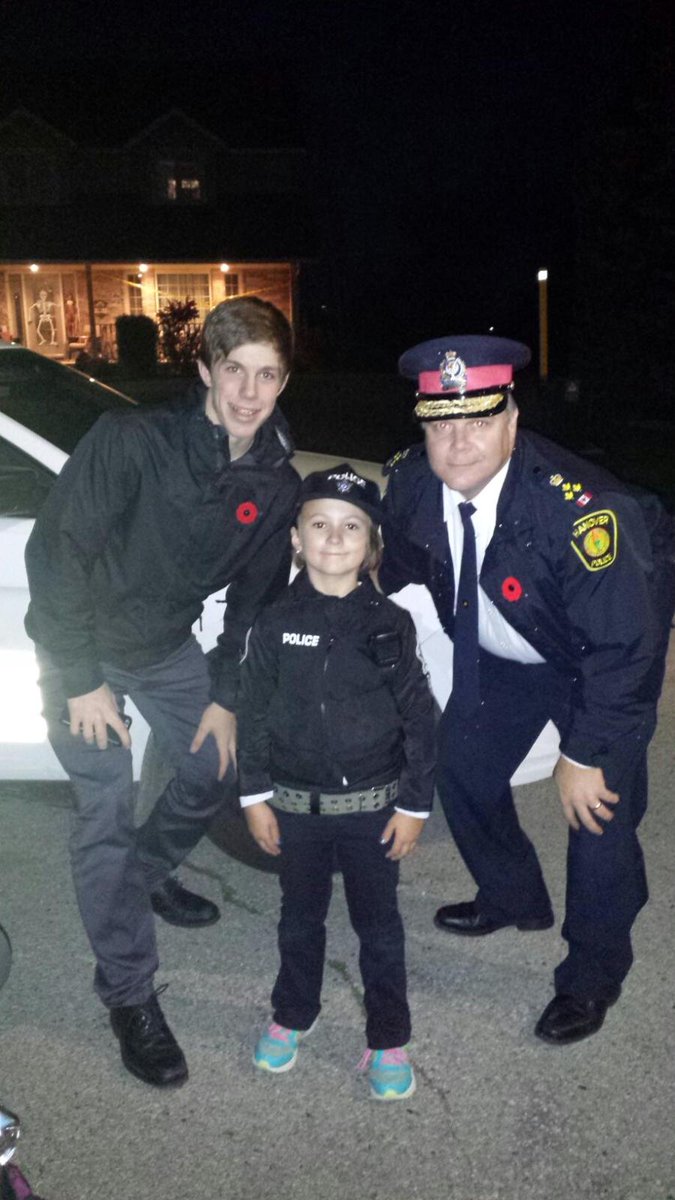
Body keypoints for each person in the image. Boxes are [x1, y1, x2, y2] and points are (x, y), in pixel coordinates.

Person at [24, 296, 302, 1087]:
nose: (249, 393)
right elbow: (56, 557)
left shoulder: (274, 482)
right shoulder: (131, 439)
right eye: (235, 370)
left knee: (217, 764)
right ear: (205, 369)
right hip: (81, 648)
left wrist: (225, 695)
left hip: (164, 647)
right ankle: (128, 992)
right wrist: (81, 680)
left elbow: (253, 605)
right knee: (104, 810)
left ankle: (144, 874)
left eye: (267, 375)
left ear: (284, 381)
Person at [379, 335, 675, 1046]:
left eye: (478, 421)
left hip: (593, 666)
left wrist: (586, 753)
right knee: (460, 766)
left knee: (596, 818)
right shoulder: (414, 482)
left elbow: (626, 649)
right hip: (505, 658)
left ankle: (592, 973)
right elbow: (396, 562)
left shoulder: (583, 513)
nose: (458, 443)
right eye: (441, 425)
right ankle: (512, 897)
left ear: (511, 421)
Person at [237, 465, 435, 1099]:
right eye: (318, 523)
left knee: (380, 928)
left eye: (352, 526)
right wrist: (254, 795)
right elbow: (252, 710)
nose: (334, 537)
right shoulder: (272, 621)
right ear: (296, 538)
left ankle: (388, 1036)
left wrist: (414, 805)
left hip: (373, 811)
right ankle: (295, 1012)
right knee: (299, 920)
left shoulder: (391, 623)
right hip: (295, 810)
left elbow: (420, 717)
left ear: (372, 544)